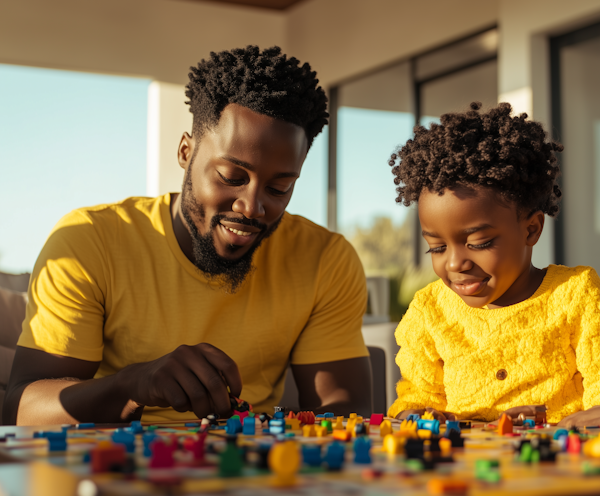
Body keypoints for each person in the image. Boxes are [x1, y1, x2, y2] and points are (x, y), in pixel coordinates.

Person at [3, 46, 372, 426]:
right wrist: (131, 385)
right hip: (111, 470)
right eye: (232, 177)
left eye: (278, 188)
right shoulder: (90, 241)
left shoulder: (324, 258)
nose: (252, 207)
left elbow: (346, 410)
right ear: (186, 151)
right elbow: (21, 408)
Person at [387, 102, 600, 427]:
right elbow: (416, 399)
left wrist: (550, 422)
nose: (456, 262)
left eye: (479, 243)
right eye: (437, 247)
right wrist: (415, 415)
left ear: (531, 229)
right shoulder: (430, 312)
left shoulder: (575, 296)